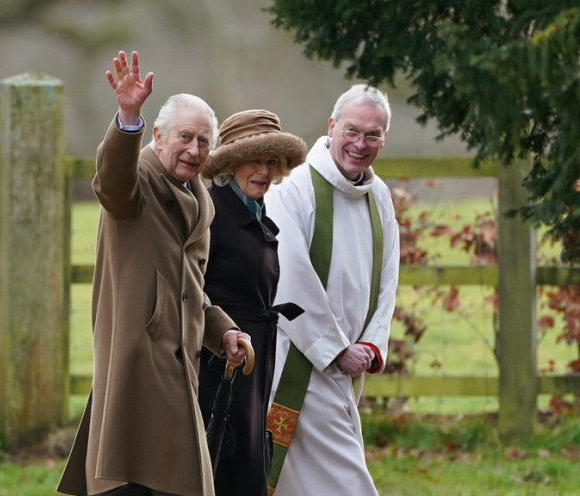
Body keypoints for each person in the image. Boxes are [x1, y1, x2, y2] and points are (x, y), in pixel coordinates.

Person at [57, 51, 251, 496]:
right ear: (158, 136)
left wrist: (221, 331)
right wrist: (128, 118)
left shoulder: (199, 198)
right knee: (134, 480)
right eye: (185, 137)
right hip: (137, 366)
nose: (194, 149)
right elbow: (111, 180)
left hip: (180, 363)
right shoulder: (137, 183)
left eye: (204, 141)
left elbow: (189, 288)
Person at [263, 84, 400, 496]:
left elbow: (388, 278)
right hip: (298, 363)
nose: (360, 144)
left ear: (383, 139)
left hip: (346, 370)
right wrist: (336, 349)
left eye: (373, 135)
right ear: (331, 126)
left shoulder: (379, 197)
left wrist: (372, 345)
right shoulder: (294, 187)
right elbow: (286, 275)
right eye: (352, 131)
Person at [196, 109, 307, 496]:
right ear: (230, 164)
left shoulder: (258, 212)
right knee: (224, 460)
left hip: (256, 354)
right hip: (221, 358)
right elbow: (193, 285)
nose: (263, 171)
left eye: (270, 161)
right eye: (253, 161)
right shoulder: (212, 212)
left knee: (247, 460)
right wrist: (224, 335)